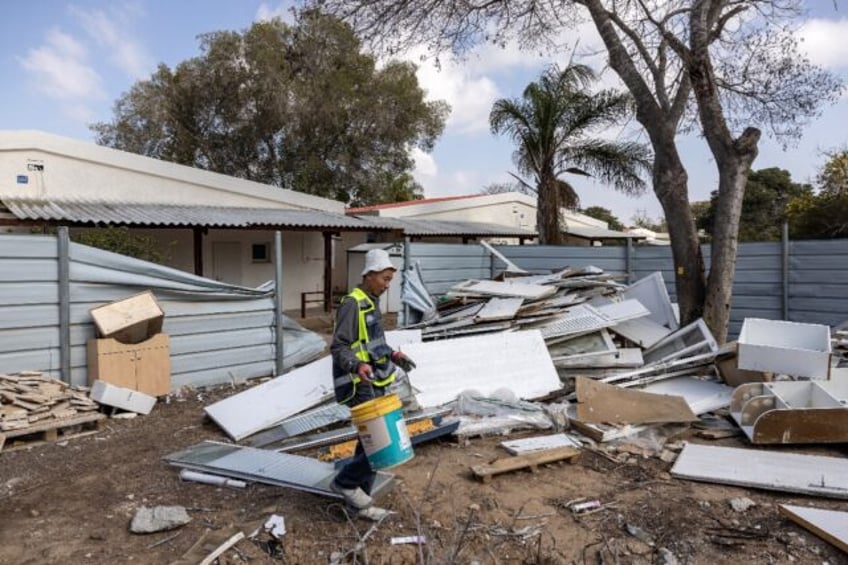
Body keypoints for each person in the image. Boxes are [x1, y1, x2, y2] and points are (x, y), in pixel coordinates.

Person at [329, 248, 416, 520]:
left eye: (390, 279)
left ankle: (359, 505)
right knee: (378, 443)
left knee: (368, 442)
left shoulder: (371, 302)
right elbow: (339, 346)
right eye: (385, 279)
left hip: (375, 380)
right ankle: (345, 483)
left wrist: (393, 354)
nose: (387, 284)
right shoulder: (352, 304)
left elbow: (373, 342)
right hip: (359, 383)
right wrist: (357, 365)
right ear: (369, 275)